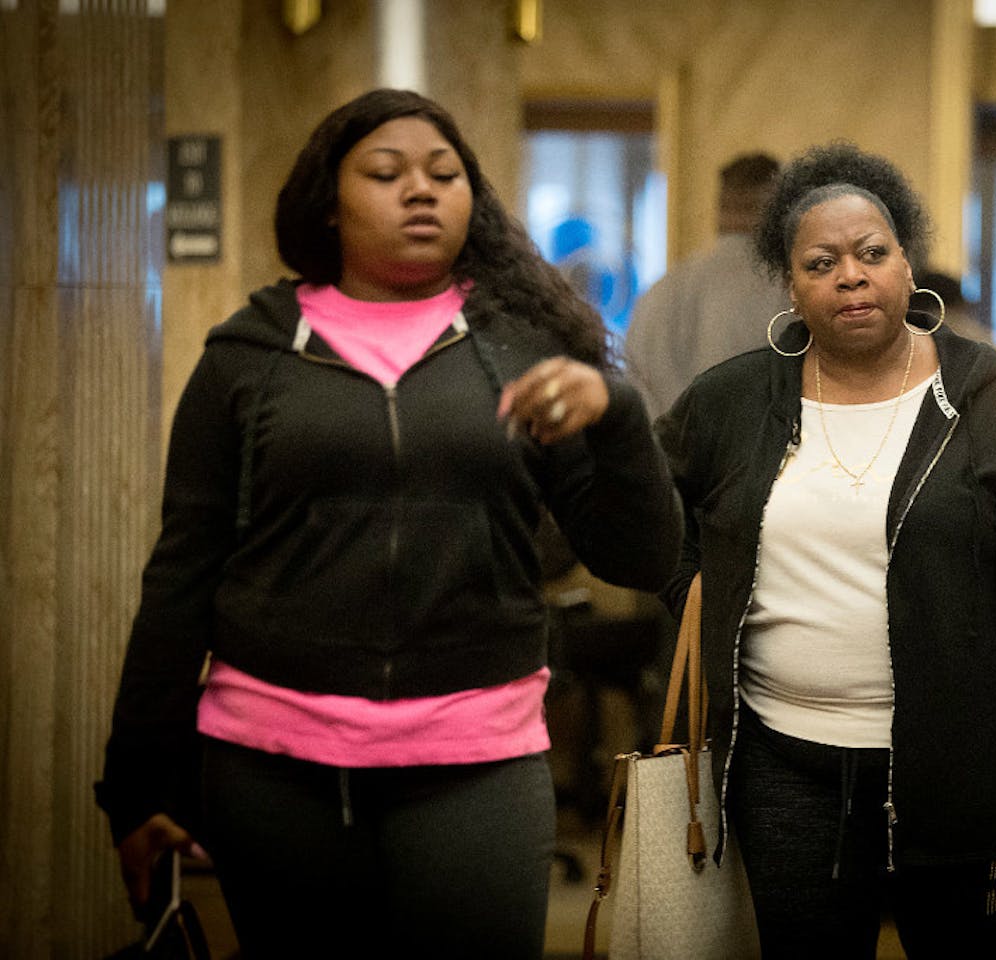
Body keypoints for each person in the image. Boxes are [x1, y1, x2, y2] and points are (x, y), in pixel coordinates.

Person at [93, 89, 681, 958]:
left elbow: (641, 556)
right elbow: (183, 571)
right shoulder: (248, 355)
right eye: (387, 172)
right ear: (328, 201)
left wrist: (618, 412)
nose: (422, 190)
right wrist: (139, 786)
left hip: (476, 759)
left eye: (445, 175)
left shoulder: (521, 348)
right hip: (273, 763)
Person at [654, 142, 996, 959]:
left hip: (962, 761)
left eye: (872, 253)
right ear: (790, 285)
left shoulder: (986, 396)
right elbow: (655, 513)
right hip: (783, 764)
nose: (850, 276)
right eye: (821, 262)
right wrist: (692, 591)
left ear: (906, 261)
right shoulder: (732, 399)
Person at [624, 152, 790, 415]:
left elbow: (636, 384)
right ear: (778, 210)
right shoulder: (789, 291)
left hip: (669, 448)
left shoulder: (664, 291)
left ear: (721, 207)